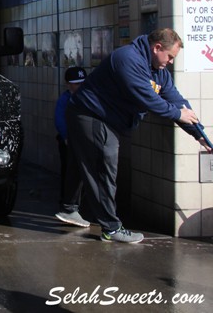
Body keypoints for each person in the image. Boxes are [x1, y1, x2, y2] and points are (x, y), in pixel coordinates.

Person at [61, 29, 210, 243]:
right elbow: (147, 98)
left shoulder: (158, 72)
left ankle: (69, 208)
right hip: (93, 115)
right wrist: (178, 113)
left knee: (83, 163)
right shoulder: (127, 58)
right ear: (157, 47)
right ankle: (110, 228)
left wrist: (199, 134)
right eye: (169, 57)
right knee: (103, 169)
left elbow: (176, 100)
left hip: (95, 116)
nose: (169, 62)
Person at [54, 66, 89, 227]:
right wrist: (66, 136)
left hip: (84, 141)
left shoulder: (89, 97)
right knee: (69, 171)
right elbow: (59, 119)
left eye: (82, 83)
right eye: (76, 84)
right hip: (68, 141)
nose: (79, 86)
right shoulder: (65, 99)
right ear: (68, 84)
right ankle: (67, 204)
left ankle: (79, 205)